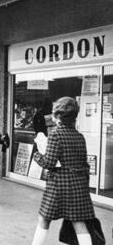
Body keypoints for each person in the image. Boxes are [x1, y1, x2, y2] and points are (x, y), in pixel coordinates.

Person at [31, 97, 95, 245]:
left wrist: (36, 154)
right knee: (78, 222)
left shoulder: (56, 135)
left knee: (44, 219)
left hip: (59, 184)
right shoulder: (79, 136)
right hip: (78, 184)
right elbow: (84, 164)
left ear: (58, 116)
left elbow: (49, 162)